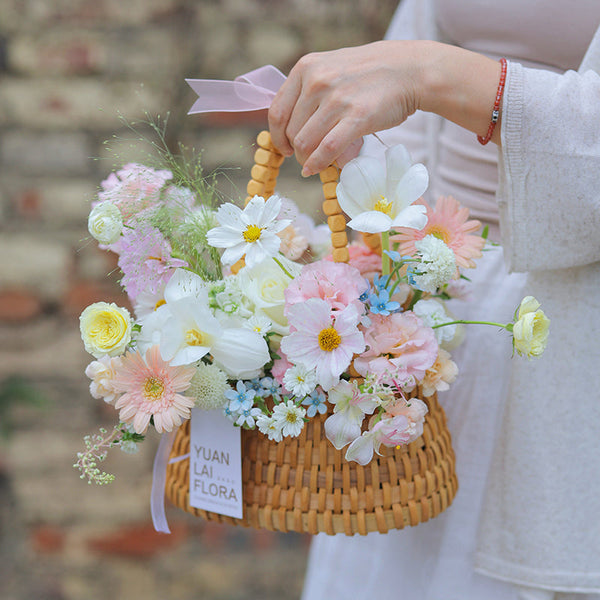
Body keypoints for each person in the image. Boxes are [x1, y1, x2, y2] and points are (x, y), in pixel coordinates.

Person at [267, 1, 600, 599]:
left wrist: (425, 74)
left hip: (562, 330)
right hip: (439, 310)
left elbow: (416, 66)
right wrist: (384, 253)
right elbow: (417, 54)